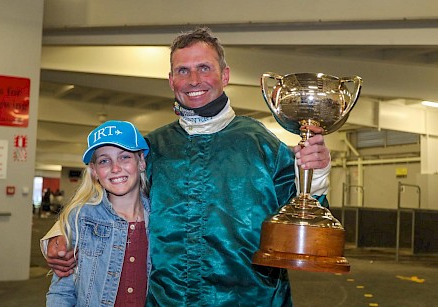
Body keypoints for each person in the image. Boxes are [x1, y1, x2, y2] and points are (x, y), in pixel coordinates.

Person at [42, 27, 331, 306]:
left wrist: (316, 172)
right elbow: (106, 198)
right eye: (183, 70)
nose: (194, 79)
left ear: (225, 75)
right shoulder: (152, 147)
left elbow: (306, 212)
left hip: (252, 298)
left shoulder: (261, 144)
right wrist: (57, 234)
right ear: (171, 80)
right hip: (167, 300)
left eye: (204, 68)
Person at [45, 120, 151, 306]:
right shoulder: (81, 218)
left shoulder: (162, 217)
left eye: (124, 157)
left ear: (141, 161)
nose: (115, 168)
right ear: (94, 171)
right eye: (104, 161)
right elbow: (61, 292)